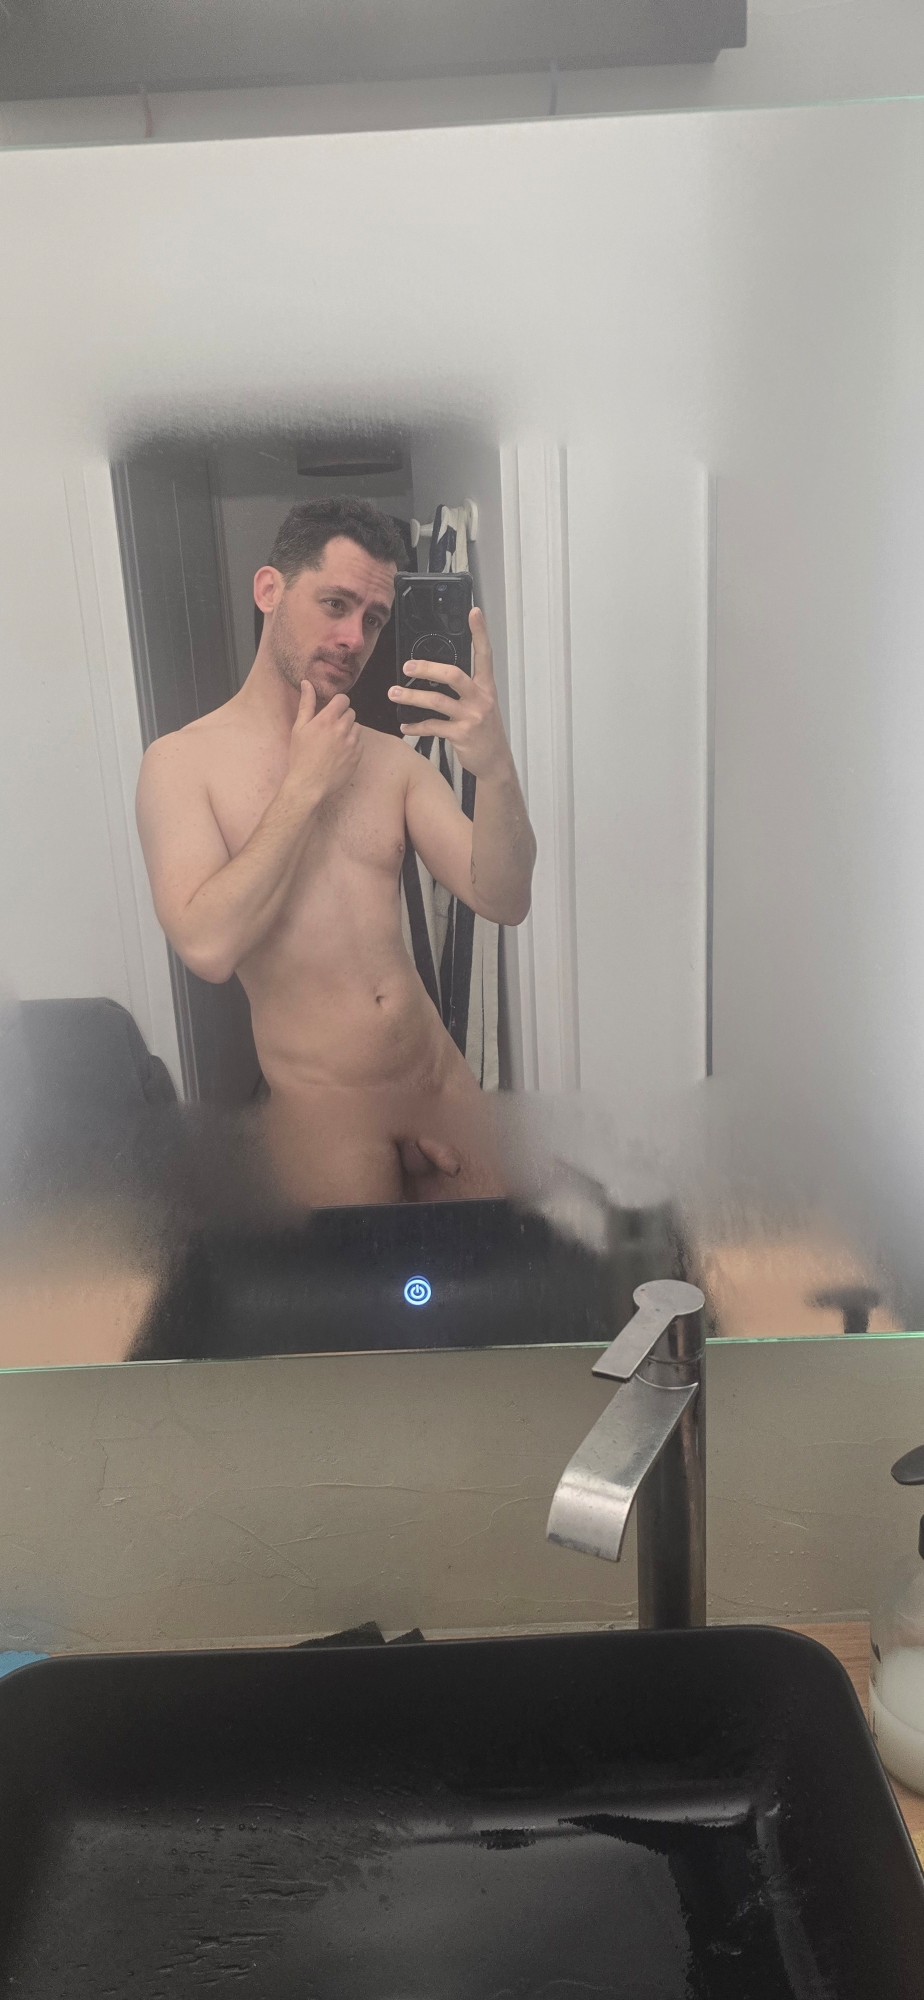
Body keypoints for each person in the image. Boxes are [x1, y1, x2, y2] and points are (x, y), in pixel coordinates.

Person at [135, 498, 536, 1206]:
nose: (354, 636)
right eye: (335, 604)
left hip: (441, 1088)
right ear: (269, 589)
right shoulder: (180, 764)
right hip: (329, 1123)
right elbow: (208, 946)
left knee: (500, 1271)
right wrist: (303, 788)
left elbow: (503, 898)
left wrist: (497, 769)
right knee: (366, 1283)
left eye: (373, 619)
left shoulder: (390, 760)